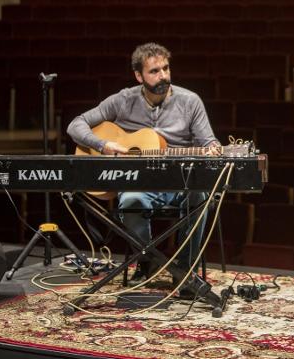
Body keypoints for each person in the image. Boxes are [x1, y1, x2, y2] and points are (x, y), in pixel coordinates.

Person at [67, 42, 221, 296]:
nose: (163, 76)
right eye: (154, 71)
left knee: (200, 195)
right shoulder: (123, 100)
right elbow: (76, 125)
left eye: (166, 68)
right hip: (140, 184)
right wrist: (103, 145)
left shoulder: (190, 101)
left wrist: (214, 148)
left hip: (178, 183)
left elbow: (208, 142)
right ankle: (148, 259)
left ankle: (184, 270)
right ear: (139, 76)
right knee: (131, 198)